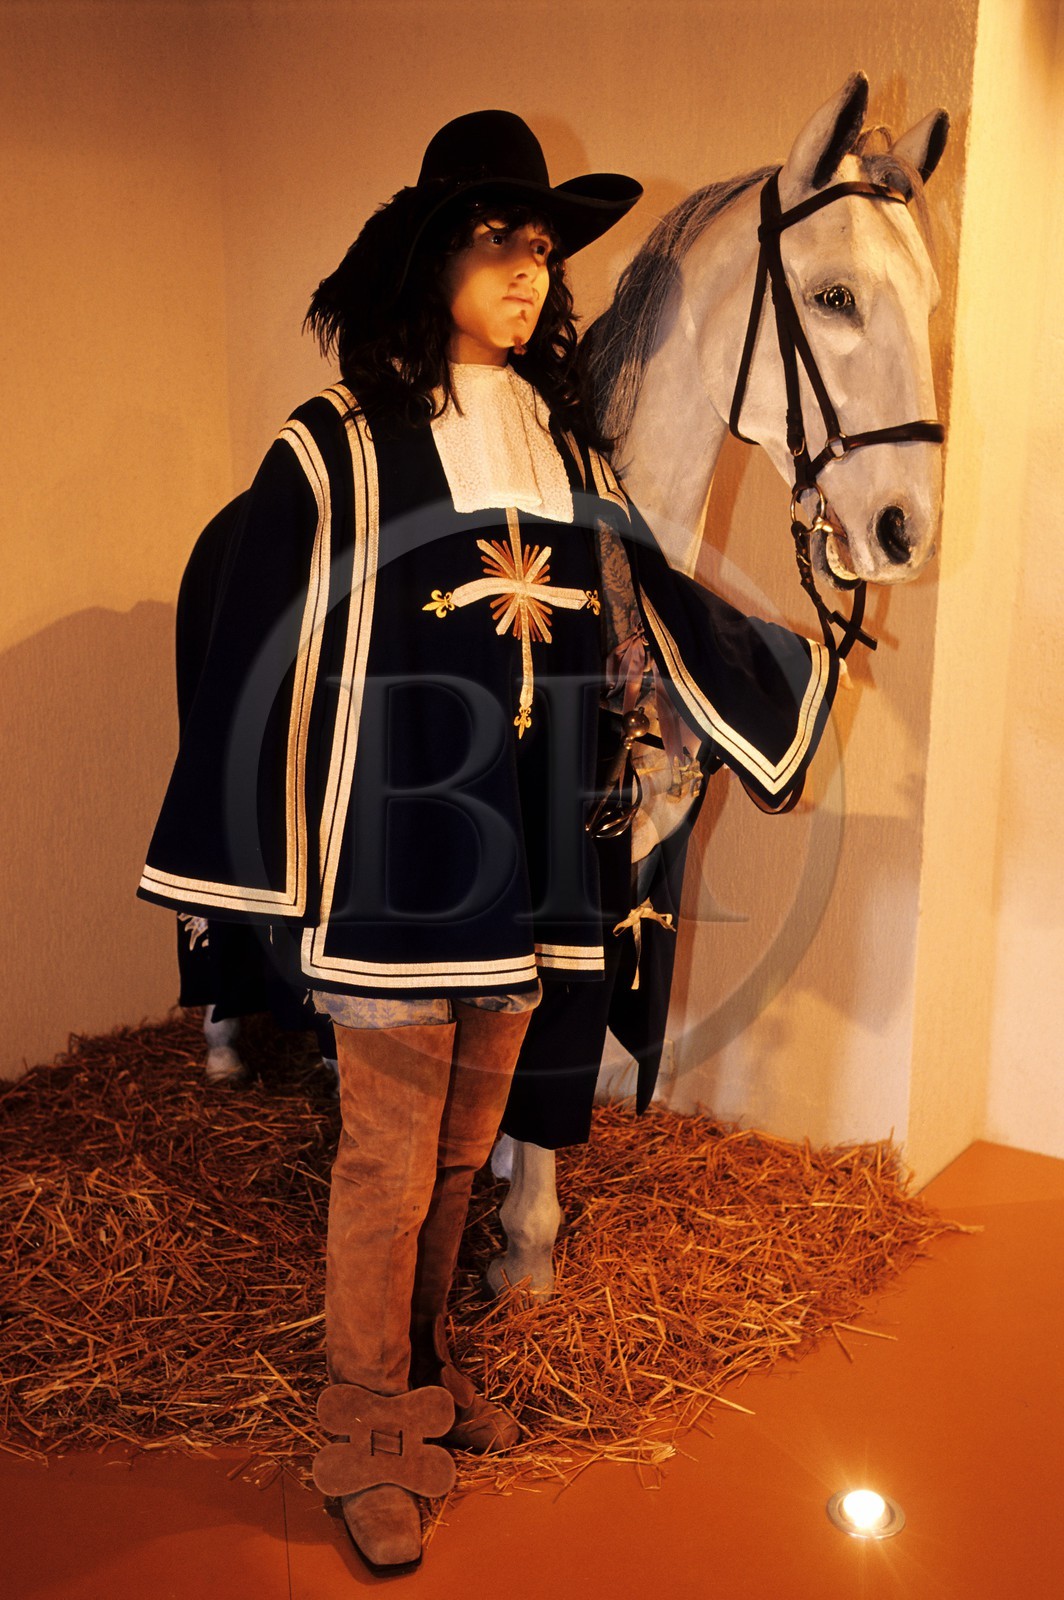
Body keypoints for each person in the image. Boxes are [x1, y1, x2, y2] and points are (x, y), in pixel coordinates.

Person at [138, 110, 837, 1574]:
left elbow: (627, 617)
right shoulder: (337, 444)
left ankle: (423, 1377)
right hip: (398, 865)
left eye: (543, 252)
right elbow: (255, 646)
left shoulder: (559, 439)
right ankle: (359, 1426)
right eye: (495, 243)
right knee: (388, 1160)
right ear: (427, 254)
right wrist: (271, 862)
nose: (528, 275)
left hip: (529, 863)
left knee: (463, 1154)